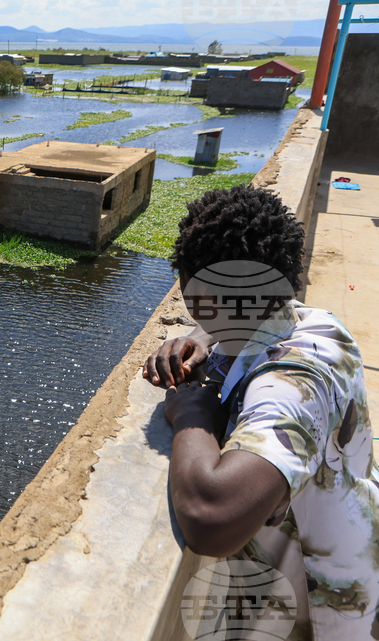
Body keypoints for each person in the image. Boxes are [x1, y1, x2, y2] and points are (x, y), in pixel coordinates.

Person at [144, 184, 375, 637]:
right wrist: (204, 336)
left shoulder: (288, 386)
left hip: (319, 610)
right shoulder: (318, 323)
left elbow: (212, 518)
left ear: (199, 292)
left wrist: (191, 414)